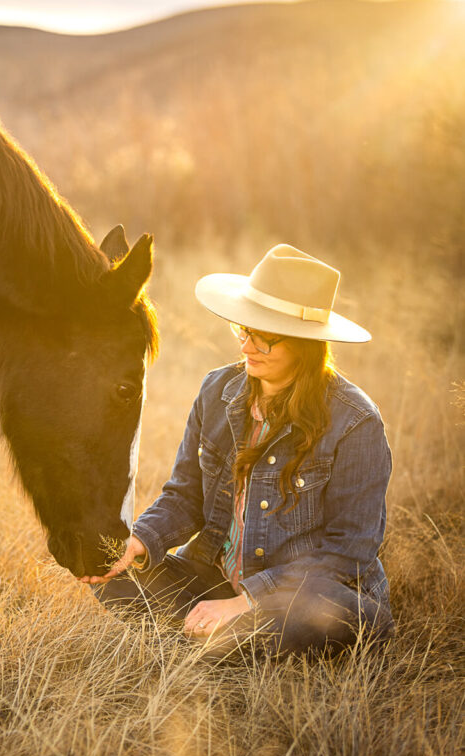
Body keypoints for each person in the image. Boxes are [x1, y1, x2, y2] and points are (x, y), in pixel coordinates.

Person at [82, 243, 394, 659]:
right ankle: (222, 641)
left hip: (311, 597)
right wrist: (140, 540)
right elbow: (185, 495)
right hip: (216, 575)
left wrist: (245, 602)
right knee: (113, 575)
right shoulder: (217, 391)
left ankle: (216, 641)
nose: (247, 347)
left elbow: (347, 553)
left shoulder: (355, 422)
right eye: (244, 330)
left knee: (320, 619)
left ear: (305, 344)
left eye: (265, 339)